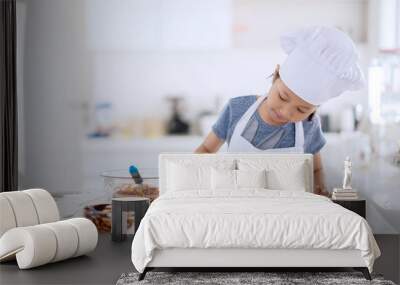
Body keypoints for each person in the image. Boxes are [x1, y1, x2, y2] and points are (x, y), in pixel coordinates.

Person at [194, 26, 366, 197]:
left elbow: (316, 168)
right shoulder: (236, 109)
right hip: (238, 207)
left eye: (301, 109)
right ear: (276, 76)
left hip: (288, 215)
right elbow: (207, 149)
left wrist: (320, 188)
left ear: (315, 109)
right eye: (283, 97)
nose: (286, 112)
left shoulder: (309, 126)